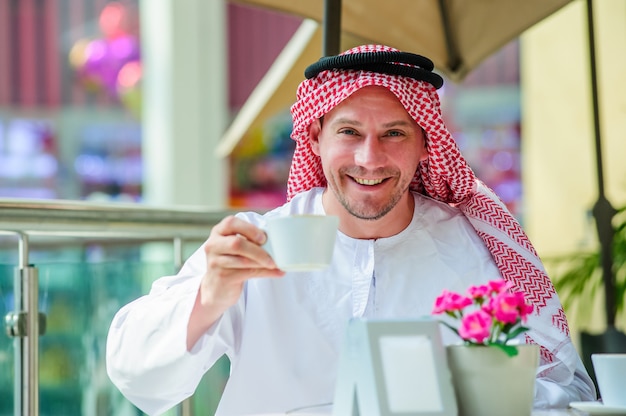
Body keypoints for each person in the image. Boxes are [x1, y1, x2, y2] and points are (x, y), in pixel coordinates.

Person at [106, 44, 596, 415]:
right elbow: (139, 377)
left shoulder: (474, 248)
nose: (369, 158)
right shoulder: (256, 243)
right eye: (349, 132)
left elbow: (560, 389)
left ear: (426, 143)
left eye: (394, 134)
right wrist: (209, 298)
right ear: (315, 137)